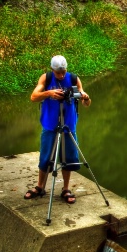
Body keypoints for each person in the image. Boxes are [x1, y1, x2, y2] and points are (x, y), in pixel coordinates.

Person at [25, 55, 91, 203]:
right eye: (58, 72)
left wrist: (85, 98)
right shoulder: (46, 78)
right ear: (52, 69)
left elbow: (86, 103)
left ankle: (65, 189)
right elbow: (33, 96)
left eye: (63, 72)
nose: (61, 75)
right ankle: (40, 187)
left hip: (69, 126)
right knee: (46, 158)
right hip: (50, 125)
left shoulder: (74, 79)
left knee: (69, 159)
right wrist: (49, 93)